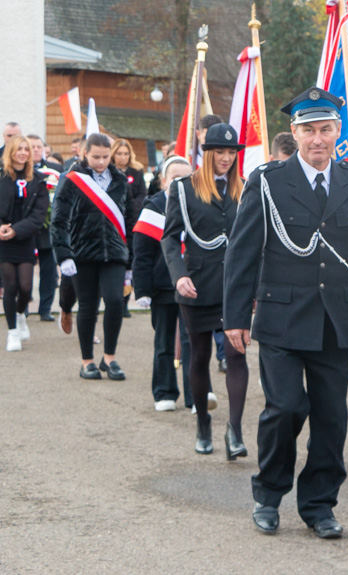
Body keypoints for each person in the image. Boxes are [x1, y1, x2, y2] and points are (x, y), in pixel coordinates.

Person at [223, 87, 348, 538]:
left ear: (339, 131)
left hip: (337, 320)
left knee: (333, 418)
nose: (319, 138)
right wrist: (235, 316)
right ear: (294, 133)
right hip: (281, 319)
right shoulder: (268, 182)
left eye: (327, 129)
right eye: (310, 130)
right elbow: (242, 252)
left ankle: (318, 505)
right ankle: (269, 493)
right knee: (286, 407)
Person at [161, 123, 249, 457]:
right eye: (220, 152)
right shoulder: (183, 189)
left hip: (236, 285)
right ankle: (203, 425)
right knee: (199, 356)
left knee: (238, 354)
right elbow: (170, 237)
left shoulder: (246, 187)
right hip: (196, 284)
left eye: (231, 152)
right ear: (206, 153)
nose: (226, 158)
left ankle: (235, 432)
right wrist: (179, 275)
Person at [51, 133, 135, 379]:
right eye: (96, 157)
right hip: (82, 252)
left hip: (115, 252)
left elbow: (130, 219)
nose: (101, 162)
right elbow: (58, 220)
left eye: (105, 157)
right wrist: (63, 255)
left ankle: (109, 358)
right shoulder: (72, 180)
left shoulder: (120, 180)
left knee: (115, 301)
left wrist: (131, 260)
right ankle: (86, 360)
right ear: (84, 153)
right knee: (88, 306)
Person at [133, 156, 193, 411]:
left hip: (193, 287)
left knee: (193, 343)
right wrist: (143, 289)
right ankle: (164, 392)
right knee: (164, 342)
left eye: (186, 177)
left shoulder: (201, 204)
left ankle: (196, 395)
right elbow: (142, 254)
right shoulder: (153, 207)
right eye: (175, 178)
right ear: (164, 181)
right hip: (163, 287)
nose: (180, 182)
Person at [0, 136, 49, 351]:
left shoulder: (38, 180)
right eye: (18, 149)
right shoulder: (2, 177)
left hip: (25, 239)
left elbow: (39, 215)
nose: (22, 152)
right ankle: (12, 332)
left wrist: (17, 231)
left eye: (25, 149)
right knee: (10, 285)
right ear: (10, 152)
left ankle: (21, 314)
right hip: (3, 240)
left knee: (26, 288)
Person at [110, 139, 148, 318]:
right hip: (114, 221)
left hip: (132, 221)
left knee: (129, 262)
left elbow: (142, 193)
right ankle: (114, 298)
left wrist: (134, 206)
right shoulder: (109, 171)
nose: (123, 157)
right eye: (119, 153)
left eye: (126, 153)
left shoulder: (136, 171)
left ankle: (125, 301)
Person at [28, 134, 61, 322]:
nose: (35, 150)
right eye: (31, 147)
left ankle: (45, 308)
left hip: (48, 228)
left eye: (38, 146)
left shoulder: (55, 170)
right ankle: (22, 307)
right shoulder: (18, 171)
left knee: (49, 271)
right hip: (27, 228)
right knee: (24, 269)